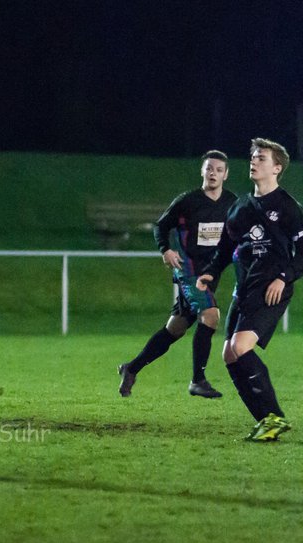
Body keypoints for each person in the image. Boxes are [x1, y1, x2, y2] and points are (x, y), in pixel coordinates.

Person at [196, 138, 303, 442]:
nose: (253, 162)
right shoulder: (240, 207)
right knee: (229, 354)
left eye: (262, 158)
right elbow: (225, 247)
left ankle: (276, 417)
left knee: (241, 347)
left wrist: (284, 276)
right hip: (243, 290)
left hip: (271, 289)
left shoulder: (288, 208)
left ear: (277, 168)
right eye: (253, 157)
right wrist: (210, 274)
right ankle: (266, 421)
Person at [117, 150, 236, 399]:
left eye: (218, 169)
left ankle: (131, 368)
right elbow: (161, 225)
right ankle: (198, 380)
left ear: (225, 174)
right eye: (209, 168)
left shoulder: (231, 203)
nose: (213, 173)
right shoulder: (188, 201)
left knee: (176, 328)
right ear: (202, 171)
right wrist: (166, 250)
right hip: (189, 270)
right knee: (211, 315)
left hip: (210, 273)